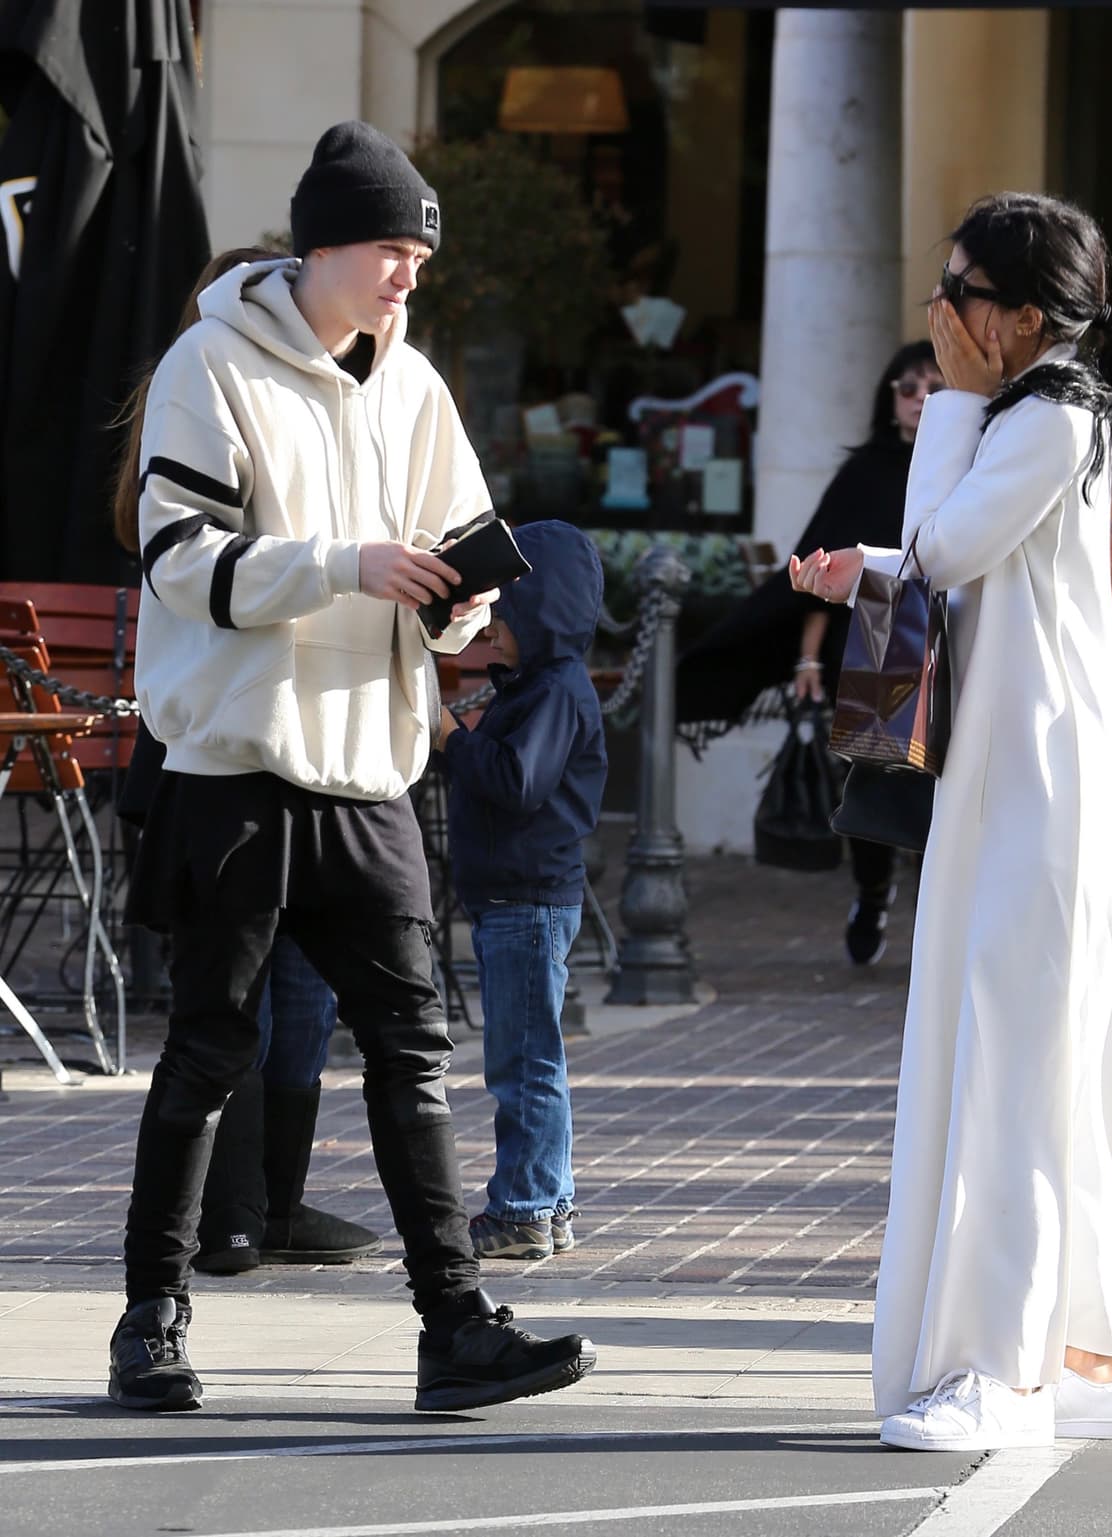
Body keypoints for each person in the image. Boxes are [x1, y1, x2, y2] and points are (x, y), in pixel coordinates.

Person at [107, 121, 596, 1414]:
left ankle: (453, 1327)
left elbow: (458, 558)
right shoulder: (208, 367)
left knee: (411, 1051)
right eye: (391, 248)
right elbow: (177, 566)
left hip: (369, 773)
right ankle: (150, 1316)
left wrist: (450, 609)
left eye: (419, 255)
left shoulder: (415, 388)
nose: (407, 276)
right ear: (322, 242)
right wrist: (347, 561)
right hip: (236, 763)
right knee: (207, 1045)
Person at [792, 192, 1112, 1451]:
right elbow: (934, 561)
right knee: (1040, 1070)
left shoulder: (1049, 413)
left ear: (1019, 315)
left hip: (1043, 787)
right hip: (1034, 774)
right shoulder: (1051, 409)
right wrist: (872, 567)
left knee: (1018, 1072)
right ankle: (1071, 1360)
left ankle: (1003, 1374)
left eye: (957, 293)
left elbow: (938, 549)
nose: (938, 317)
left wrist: (946, 406)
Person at [114, 248, 381, 1277]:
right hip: (223, 745)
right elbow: (185, 562)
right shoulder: (204, 394)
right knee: (241, 1007)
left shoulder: (230, 400)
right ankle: (231, 1218)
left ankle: (258, 1206)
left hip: (262, 741)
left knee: (276, 1004)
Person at [675, 341, 940, 965]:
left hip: (958, 637)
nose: (921, 399)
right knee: (876, 779)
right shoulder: (868, 469)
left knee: (949, 791)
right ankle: (873, 893)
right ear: (889, 399)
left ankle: (940, 921)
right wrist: (808, 660)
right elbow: (825, 573)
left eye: (934, 386)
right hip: (881, 635)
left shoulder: (970, 467)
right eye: (907, 388)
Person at [437, 521, 607, 1262]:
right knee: (532, 1054)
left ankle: (525, 1205)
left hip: (529, 899)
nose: (488, 633)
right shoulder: (540, 685)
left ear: (541, 614)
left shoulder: (556, 689)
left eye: (501, 619)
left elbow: (517, 782)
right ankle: (550, 1198)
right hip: (519, 897)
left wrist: (451, 740)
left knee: (524, 1061)